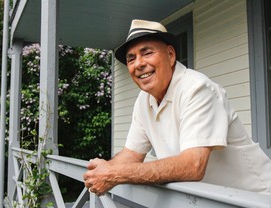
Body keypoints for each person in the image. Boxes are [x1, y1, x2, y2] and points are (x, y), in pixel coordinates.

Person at [83, 19, 271, 196]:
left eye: (147, 53)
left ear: (170, 55)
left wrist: (114, 173)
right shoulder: (143, 100)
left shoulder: (197, 88)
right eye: (131, 59)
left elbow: (193, 165)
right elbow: (132, 153)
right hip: (209, 203)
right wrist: (102, 170)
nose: (139, 64)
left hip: (257, 201)